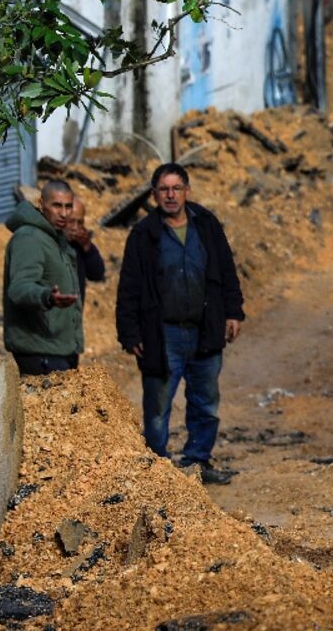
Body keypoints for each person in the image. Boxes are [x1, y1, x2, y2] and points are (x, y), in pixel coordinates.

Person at [116, 163, 244, 485]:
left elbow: (227, 271)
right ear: (155, 194)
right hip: (162, 333)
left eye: (176, 188)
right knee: (158, 404)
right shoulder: (144, 235)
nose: (170, 195)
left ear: (187, 190)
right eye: (163, 189)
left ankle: (198, 462)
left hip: (205, 329)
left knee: (206, 401)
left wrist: (233, 312)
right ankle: (157, 470)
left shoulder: (207, 225)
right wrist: (130, 332)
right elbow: (129, 287)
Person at [3, 180, 83, 375]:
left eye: (68, 206)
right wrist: (48, 297)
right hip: (40, 353)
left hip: (58, 350)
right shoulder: (29, 238)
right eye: (56, 205)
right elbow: (19, 288)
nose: (64, 213)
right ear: (41, 203)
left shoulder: (54, 239)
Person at [66, 197, 105, 305]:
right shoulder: (49, 242)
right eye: (71, 221)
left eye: (80, 222)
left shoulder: (80, 244)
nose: (75, 227)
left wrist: (88, 247)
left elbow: (97, 274)